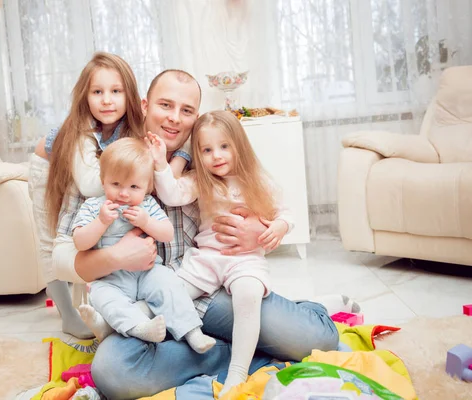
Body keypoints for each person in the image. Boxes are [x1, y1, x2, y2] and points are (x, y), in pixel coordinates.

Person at [53, 69, 355, 400]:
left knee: (319, 340)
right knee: (113, 372)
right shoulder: (110, 160)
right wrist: (116, 256)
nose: (174, 119)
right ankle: (236, 352)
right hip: (145, 306)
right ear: (144, 105)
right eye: (165, 105)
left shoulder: (205, 156)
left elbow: (256, 199)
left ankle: (274, 323)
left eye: (186, 111)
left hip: (206, 294)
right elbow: (64, 256)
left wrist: (260, 231)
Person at [29, 53, 193, 338]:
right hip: (47, 164)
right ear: (85, 96)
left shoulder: (133, 126)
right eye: (97, 92)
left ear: (130, 96)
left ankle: (98, 307)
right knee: (49, 238)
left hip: (95, 172)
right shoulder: (81, 133)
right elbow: (93, 185)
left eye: (116, 91)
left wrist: (173, 164)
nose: (107, 100)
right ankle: (67, 314)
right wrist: (137, 175)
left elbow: (177, 145)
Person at [147, 110, 293, 396]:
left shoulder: (258, 180)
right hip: (207, 259)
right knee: (171, 293)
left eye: (225, 146)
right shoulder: (200, 181)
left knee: (248, 295)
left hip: (245, 260)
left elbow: (285, 211)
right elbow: (171, 194)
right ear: (197, 154)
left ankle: (237, 373)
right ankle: (124, 319)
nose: (217, 155)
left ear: (240, 144)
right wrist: (161, 162)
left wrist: (280, 226)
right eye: (207, 150)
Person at [72, 138, 215, 353]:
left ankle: (192, 332)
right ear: (103, 181)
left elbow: (167, 233)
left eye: (134, 187)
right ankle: (138, 327)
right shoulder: (94, 206)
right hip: (112, 279)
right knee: (100, 295)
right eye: (116, 184)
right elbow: (80, 242)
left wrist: (146, 222)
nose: (124, 193)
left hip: (148, 272)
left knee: (168, 284)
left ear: (147, 187)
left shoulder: (147, 204)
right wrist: (100, 222)